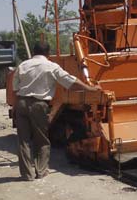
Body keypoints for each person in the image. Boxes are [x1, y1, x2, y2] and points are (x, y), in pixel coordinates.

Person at [12, 42, 100, 181]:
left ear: (34, 52)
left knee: (23, 141)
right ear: (48, 53)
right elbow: (71, 82)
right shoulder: (51, 66)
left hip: (21, 103)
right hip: (38, 105)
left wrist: (16, 108)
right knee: (41, 139)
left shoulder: (23, 65)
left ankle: (27, 175)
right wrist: (90, 89)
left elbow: (15, 89)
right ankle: (41, 171)